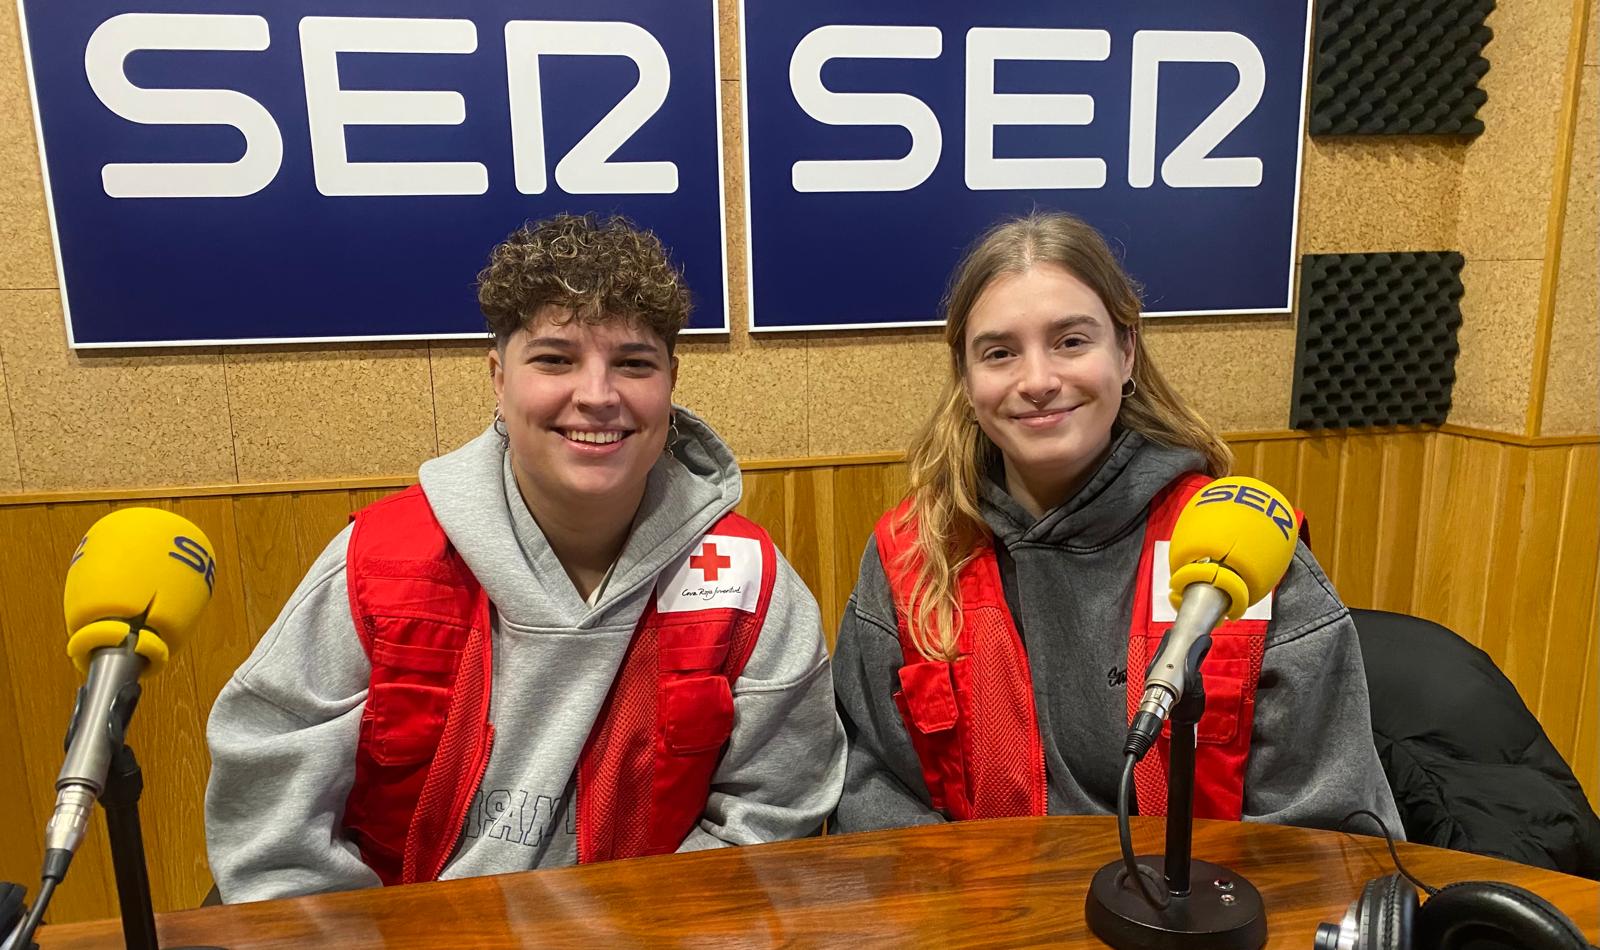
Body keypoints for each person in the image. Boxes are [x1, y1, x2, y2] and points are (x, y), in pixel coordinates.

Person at [206, 213, 845, 901]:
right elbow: (273, 827)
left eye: (633, 363)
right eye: (555, 359)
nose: (597, 396)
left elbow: (775, 811)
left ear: (671, 381)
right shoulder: (379, 567)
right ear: (498, 378)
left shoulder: (745, 578)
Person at [830, 212, 1400, 834]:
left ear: (1126, 352)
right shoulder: (913, 558)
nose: (1038, 381)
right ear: (966, 381)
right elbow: (873, 790)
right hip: (980, 894)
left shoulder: (1240, 543)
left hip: (1197, 893)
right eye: (999, 353)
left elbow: (1329, 830)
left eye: (1071, 342)